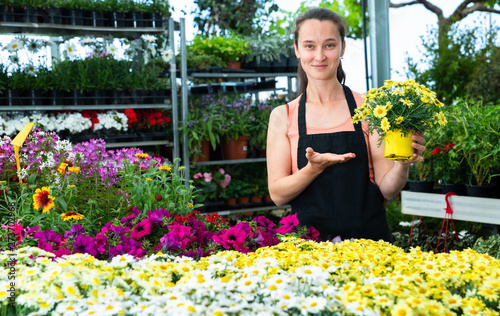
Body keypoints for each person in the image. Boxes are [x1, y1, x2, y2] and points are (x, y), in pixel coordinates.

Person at [266, 7, 426, 242]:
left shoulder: (369, 109)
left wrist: (402, 164)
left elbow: (388, 189)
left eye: (329, 45)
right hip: (308, 252)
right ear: (297, 50)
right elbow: (278, 195)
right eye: (310, 46)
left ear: (342, 48)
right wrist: (313, 169)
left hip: (370, 246)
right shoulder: (284, 115)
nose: (319, 56)